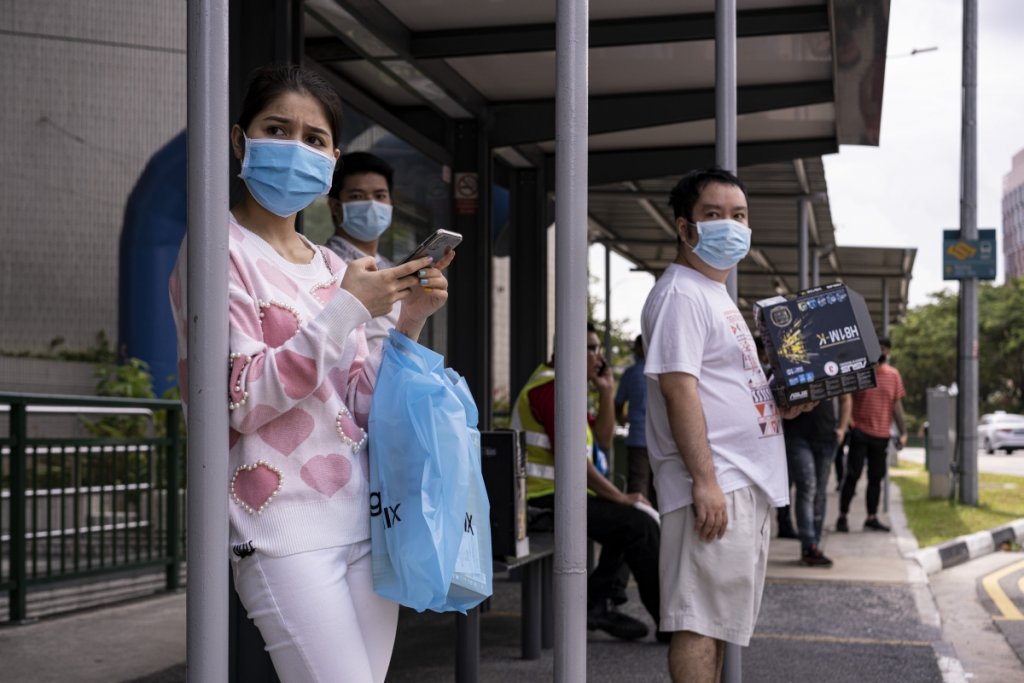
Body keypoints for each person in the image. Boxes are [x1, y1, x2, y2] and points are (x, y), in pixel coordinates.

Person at [169, 64, 454, 683]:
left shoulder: (330, 265)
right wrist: (349, 309)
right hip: (279, 528)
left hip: (365, 516)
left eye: (315, 138)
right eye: (279, 129)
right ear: (242, 140)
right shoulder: (218, 248)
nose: (298, 149)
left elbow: (357, 400)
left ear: (332, 158)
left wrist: (407, 322)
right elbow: (239, 399)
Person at [641, 167, 811, 682]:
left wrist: (779, 406)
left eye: (738, 215)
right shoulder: (682, 294)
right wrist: (705, 481)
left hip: (740, 483)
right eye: (713, 215)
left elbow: (723, 388)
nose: (729, 226)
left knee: (716, 625)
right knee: (697, 622)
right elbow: (679, 387)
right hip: (718, 485)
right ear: (684, 227)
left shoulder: (714, 294)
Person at [512, 323, 664, 642]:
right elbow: (572, 462)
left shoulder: (568, 386)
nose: (598, 356)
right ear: (564, 351)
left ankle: (599, 601)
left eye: (597, 348)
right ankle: (664, 622)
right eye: (590, 348)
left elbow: (605, 439)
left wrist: (607, 391)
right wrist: (619, 497)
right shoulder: (551, 390)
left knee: (635, 521)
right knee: (637, 524)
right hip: (543, 501)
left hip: (567, 495)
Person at [324, 151, 400, 351]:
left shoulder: (392, 269)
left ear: (391, 203)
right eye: (357, 196)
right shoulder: (322, 265)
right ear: (334, 205)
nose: (371, 204)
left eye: (380, 196)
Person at [836, 337, 907, 533]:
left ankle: (871, 517)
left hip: (881, 435)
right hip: (860, 433)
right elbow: (847, 398)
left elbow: (896, 406)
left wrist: (903, 432)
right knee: (853, 475)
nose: (881, 352)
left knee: (876, 478)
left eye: (884, 349)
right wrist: (850, 423)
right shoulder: (861, 373)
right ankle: (842, 516)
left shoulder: (894, 376)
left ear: (889, 352)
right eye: (878, 348)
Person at [783, 395, 851, 567]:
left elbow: (846, 398)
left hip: (827, 437)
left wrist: (842, 428)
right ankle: (809, 545)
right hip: (797, 435)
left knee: (820, 492)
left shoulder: (831, 367)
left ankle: (815, 543)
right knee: (807, 487)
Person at [615, 334, 656, 506]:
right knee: (660, 489)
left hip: (638, 439)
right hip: (661, 440)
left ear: (640, 348)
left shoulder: (631, 374)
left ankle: (641, 526)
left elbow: (618, 403)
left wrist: (622, 419)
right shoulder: (662, 372)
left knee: (638, 488)